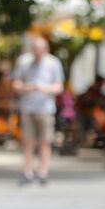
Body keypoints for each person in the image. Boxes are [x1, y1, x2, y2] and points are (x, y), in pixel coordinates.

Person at [11, 36, 64, 184]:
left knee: (45, 141)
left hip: (45, 108)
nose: (37, 52)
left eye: (40, 50)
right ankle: (26, 171)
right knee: (27, 141)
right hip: (27, 107)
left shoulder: (53, 63)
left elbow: (59, 87)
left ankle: (43, 172)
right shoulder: (23, 62)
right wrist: (26, 87)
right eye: (35, 49)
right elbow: (15, 83)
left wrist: (44, 88)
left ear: (45, 50)